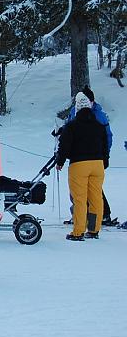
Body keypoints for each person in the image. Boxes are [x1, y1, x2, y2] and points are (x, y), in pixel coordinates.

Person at [56, 92, 109, 241]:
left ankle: (78, 231)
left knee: (79, 199)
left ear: (77, 108)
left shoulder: (72, 126)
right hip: (97, 164)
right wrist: (105, 160)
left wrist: (60, 161)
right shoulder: (99, 126)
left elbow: (64, 145)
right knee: (96, 198)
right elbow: (105, 145)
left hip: (79, 164)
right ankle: (93, 229)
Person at [65, 86, 115, 225]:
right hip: (82, 158)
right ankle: (87, 219)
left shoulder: (97, 115)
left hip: (90, 158)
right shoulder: (76, 112)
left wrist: (105, 155)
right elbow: (70, 127)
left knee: (89, 191)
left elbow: (106, 137)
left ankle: (96, 217)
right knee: (83, 190)